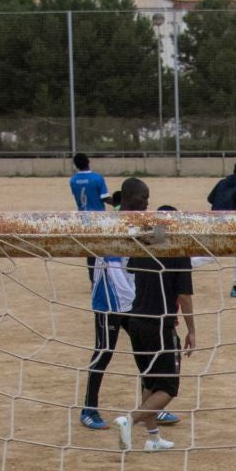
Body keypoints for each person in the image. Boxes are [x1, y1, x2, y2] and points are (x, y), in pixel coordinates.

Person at [116, 197, 196, 453]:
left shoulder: (143, 248)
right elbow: (184, 296)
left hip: (135, 323)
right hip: (159, 326)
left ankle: (153, 438)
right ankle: (130, 420)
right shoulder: (177, 251)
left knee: (149, 383)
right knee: (168, 388)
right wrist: (192, 330)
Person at [79, 179, 145, 431]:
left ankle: (150, 407)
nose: (146, 203)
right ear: (128, 198)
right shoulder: (108, 224)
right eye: (142, 198)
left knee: (146, 351)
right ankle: (88, 408)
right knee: (104, 352)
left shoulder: (139, 223)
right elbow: (91, 254)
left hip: (132, 298)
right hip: (109, 300)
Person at [205, 159, 236, 298]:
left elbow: (210, 198)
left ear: (233, 171)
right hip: (229, 222)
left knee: (213, 252)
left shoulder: (222, 182)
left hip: (214, 219)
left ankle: (187, 263)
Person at [69, 153, 111, 284]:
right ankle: (103, 277)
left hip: (83, 217)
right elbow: (104, 197)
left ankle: (93, 278)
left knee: (90, 249)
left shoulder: (73, 180)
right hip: (98, 217)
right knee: (102, 247)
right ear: (88, 161)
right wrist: (117, 203)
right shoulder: (97, 178)